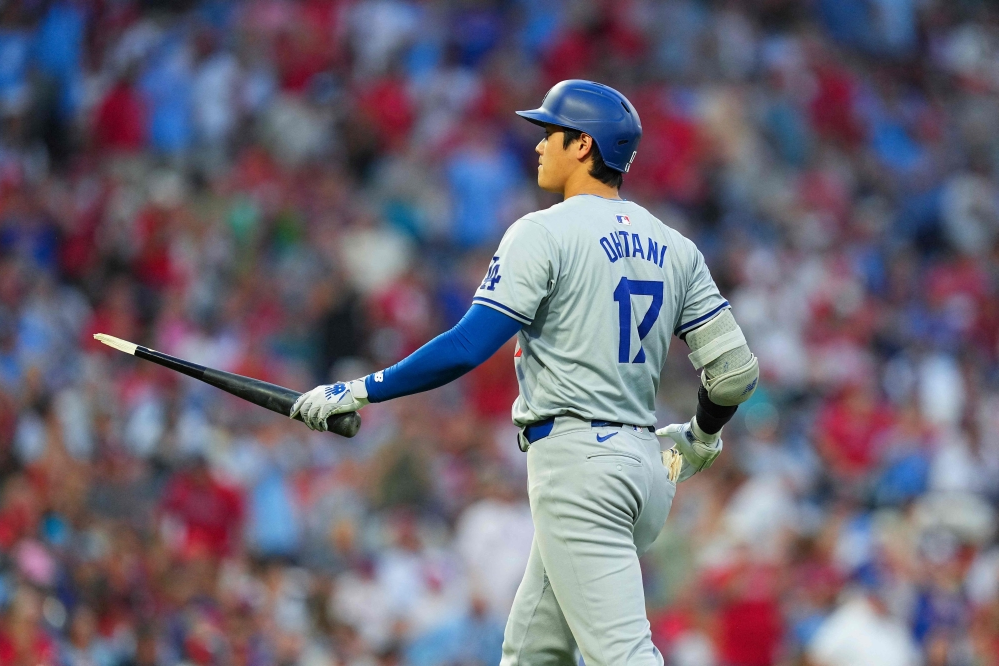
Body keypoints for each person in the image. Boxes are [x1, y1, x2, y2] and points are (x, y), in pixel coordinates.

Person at [292, 79, 759, 665]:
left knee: (625, 657)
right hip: (643, 468)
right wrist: (701, 437)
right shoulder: (676, 245)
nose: (538, 145)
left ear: (584, 146)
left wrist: (361, 389)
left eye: (550, 133)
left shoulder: (542, 232)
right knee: (532, 653)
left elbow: (468, 347)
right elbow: (735, 373)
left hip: (579, 467)